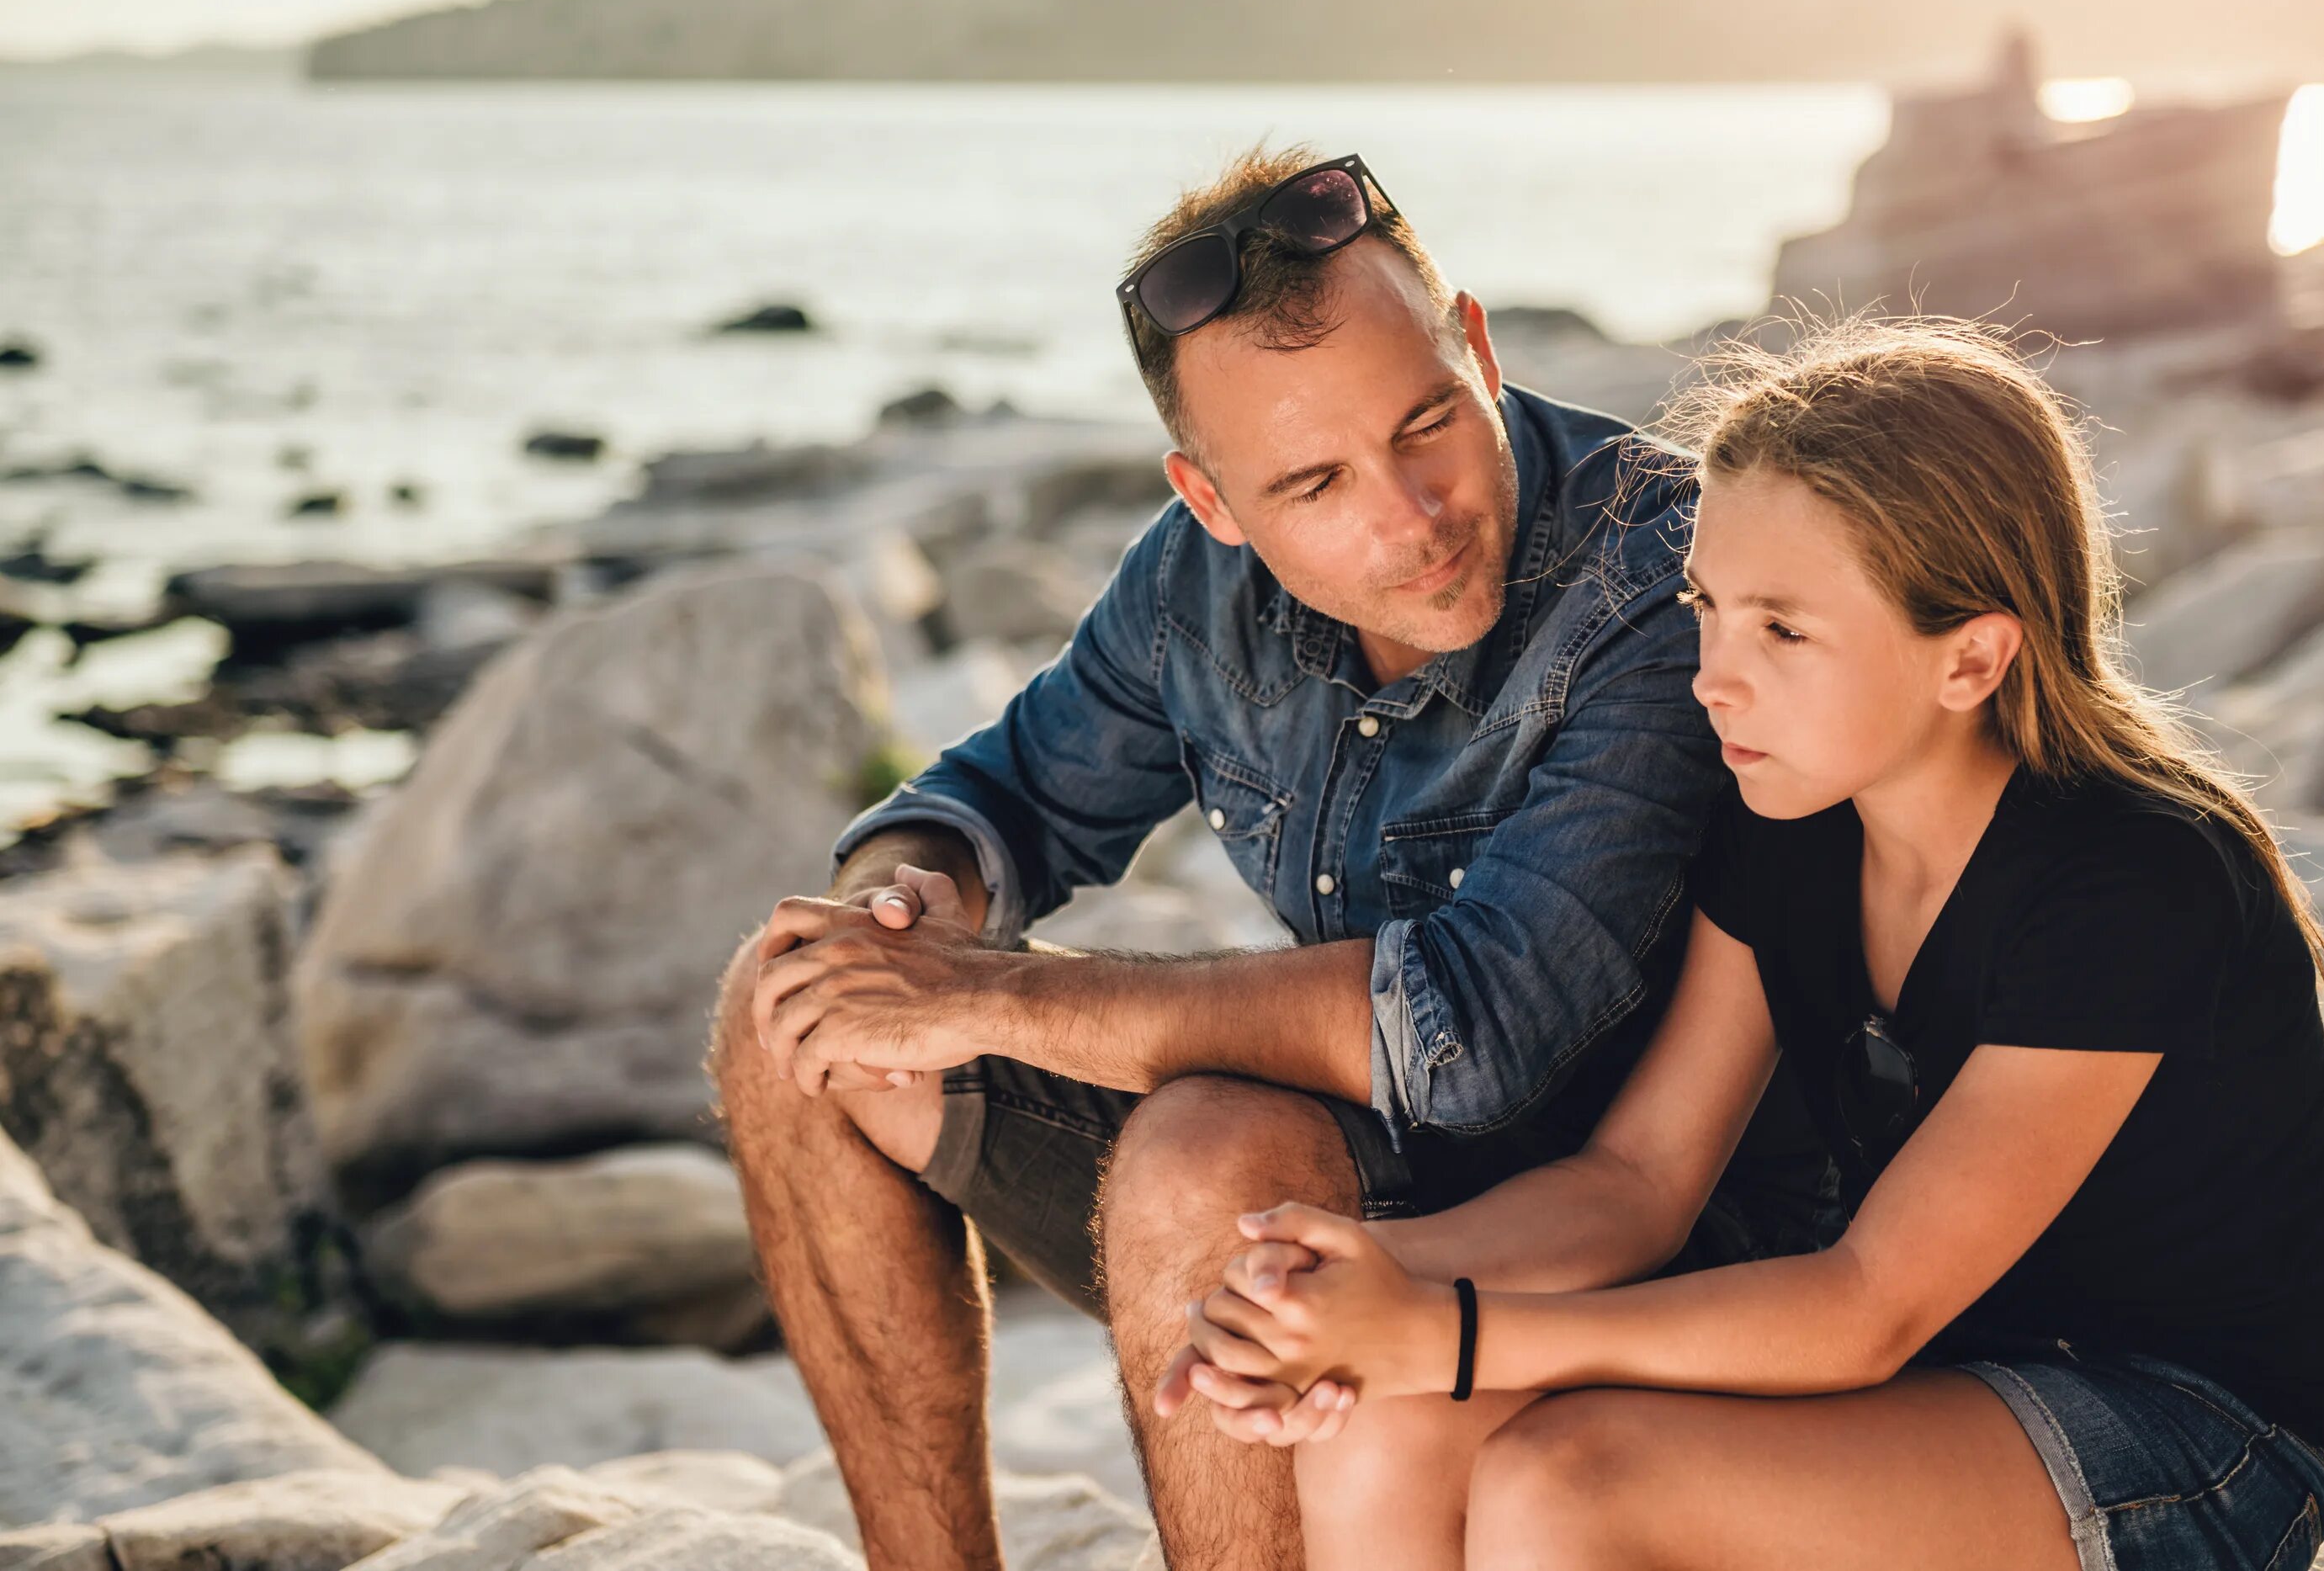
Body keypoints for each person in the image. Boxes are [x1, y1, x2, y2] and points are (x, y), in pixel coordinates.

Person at [705, 146, 1834, 1571]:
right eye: (1314, 483)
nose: (1410, 515)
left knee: (1207, 1155)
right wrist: (913, 901)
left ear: (1476, 346)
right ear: (1213, 499)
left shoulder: (1665, 578)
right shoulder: (1194, 583)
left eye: (1428, 422)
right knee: (794, 998)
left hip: (1629, 1260)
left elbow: (1475, 1032)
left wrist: (989, 1001)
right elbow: (1010, 791)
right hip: (1341, 1191)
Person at [1167, 318, 2324, 1571]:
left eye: (1782, 631)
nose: (1713, 679)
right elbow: (1638, 1182)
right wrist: (1362, 1279)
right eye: (1707, 608)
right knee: (1385, 1425)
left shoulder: (2132, 882)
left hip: (2187, 1428)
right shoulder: (1790, 829)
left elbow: (1867, 1303)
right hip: (1945, 1370)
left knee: (1567, 1482)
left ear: (1970, 656)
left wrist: (1453, 1333)